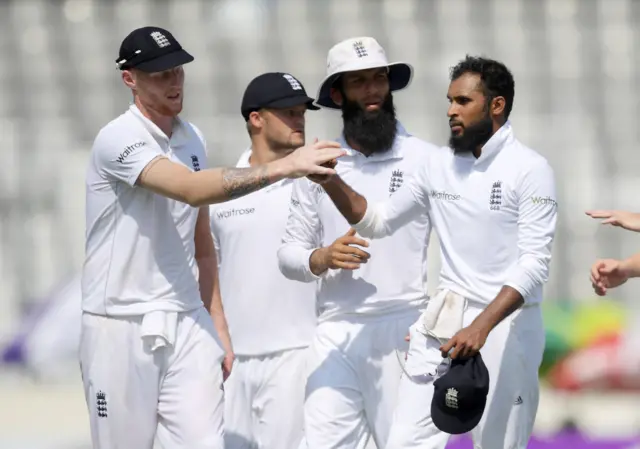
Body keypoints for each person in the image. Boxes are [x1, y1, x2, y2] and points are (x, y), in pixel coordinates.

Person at [79, 26, 344, 449]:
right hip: (120, 322)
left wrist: (216, 319)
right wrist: (286, 165)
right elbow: (190, 189)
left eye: (177, 70)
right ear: (130, 78)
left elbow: (200, 241)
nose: (174, 81)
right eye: (160, 73)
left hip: (187, 321)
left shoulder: (192, 138)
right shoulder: (118, 138)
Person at [314, 56, 558, 449]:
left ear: (496, 105)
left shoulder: (530, 169)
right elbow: (377, 221)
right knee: (403, 442)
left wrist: (481, 327)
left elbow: (534, 264)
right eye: (449, 101)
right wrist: (329, 180)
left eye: (462, 101)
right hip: (443, 323)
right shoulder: (437, 164)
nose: (450, 111)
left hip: (506, 327)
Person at [277, 36, 437, 449]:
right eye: (359, 81)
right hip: (336, 328)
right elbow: (288, 254)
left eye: (379, 79)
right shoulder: (317, 162)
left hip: (405, 325)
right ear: (337, 93)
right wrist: (322, 257)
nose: (372, 91)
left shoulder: (426, 160)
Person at [209, 72, 321, 449]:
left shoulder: (316, 181)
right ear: (256, 119)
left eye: (302, 112)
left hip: (297, 354)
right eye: (288, 112)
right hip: (231, 361)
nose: (299, 119)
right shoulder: (224, 189)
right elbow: (209, 274)